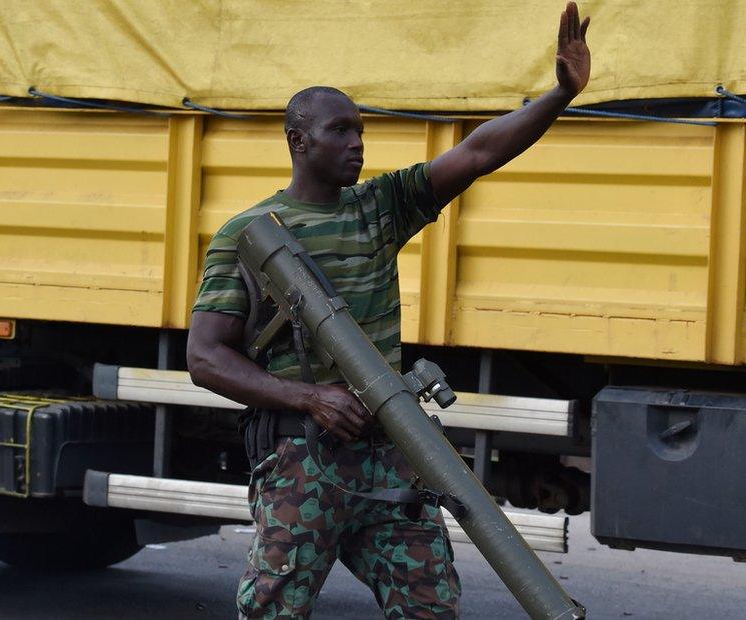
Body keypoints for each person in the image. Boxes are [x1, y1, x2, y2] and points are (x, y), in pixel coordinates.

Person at [186, 3, 591, 618]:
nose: (356, 143)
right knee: (273, 609)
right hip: (303, 461)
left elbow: (479, 153)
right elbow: (205, 357)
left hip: (391, 456)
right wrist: (309, 397)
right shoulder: (249, 234)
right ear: (298, 140)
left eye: (360, 131)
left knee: (430, 606)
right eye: (340, 131)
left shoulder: (379, 207)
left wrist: (559, 96)